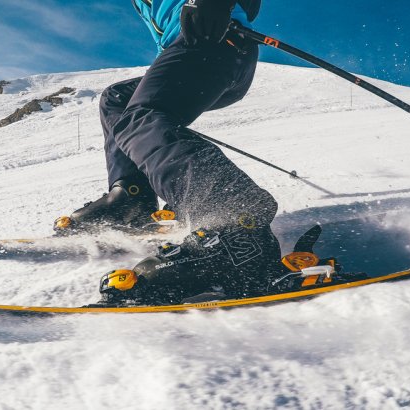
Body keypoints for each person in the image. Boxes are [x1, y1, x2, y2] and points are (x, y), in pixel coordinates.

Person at [56, 0, 282, 305]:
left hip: (216, 38)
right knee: (117, 100)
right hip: (198, 45)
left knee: (141, 117)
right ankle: (132, 198)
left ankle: (236, 227)